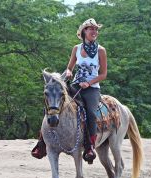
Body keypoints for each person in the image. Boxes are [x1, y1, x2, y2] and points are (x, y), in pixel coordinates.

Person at [31, 18, 107, 164]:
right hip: (75, 85)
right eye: (91, 28)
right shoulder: (76, 49)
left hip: (92, 88)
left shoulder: (101, 50)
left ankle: (90, 146)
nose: (94, 31)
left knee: (90, 112)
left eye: (96, 29)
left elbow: (103, 74)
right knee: (53, 102)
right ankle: (42, 142)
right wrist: (68, 73)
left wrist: (89, 83)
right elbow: (69, 67)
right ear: (84, 31)